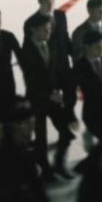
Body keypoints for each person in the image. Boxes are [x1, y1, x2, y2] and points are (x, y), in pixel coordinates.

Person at [20, 13, 76, 179]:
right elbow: (30, 82)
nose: (48, 32)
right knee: (41, 139)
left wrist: (61, 91)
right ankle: (45, 171)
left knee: (66, 133)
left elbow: (56, 73)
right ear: (34, 30)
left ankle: (59, 164)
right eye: (45, 30)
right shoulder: (26, 52)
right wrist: (49, 95)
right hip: (37, 100)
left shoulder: (52, 46)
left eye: (49, 29)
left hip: (54, 98)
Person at [23, 0, 72, 68]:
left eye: (53, 2)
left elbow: (65, 37)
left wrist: (74, 56)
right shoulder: (30, 22)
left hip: (63, 63)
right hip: (45, 66)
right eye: (47, 2)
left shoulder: (60, 15)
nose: (51, 5)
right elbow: (28, 47)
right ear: (40, 1)